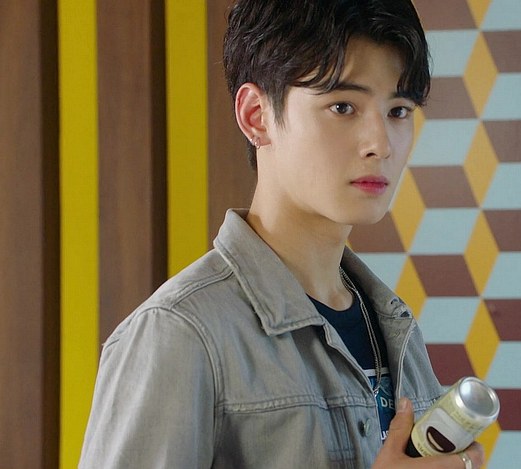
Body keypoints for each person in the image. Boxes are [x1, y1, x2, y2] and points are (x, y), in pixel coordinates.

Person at [79, 0, 485, 467]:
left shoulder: (393, 326)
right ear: (256, 115)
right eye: (343, 107)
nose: (381, 144)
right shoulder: (179, 333)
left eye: (398, 111)